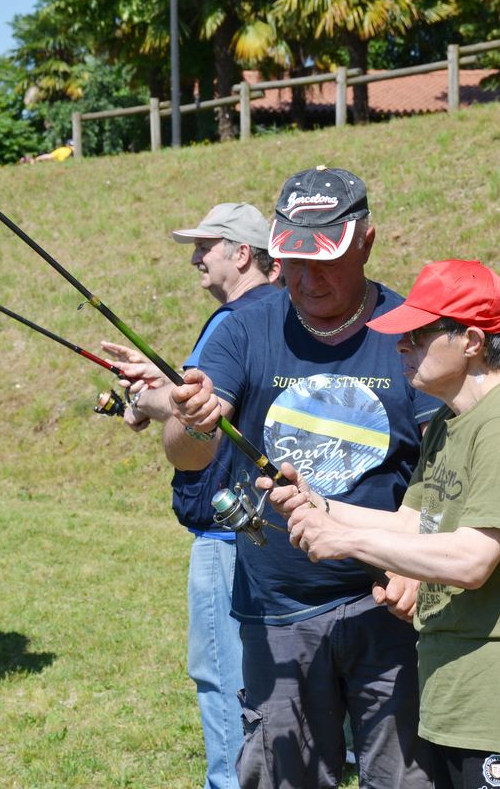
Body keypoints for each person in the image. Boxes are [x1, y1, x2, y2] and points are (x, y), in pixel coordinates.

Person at [168, 166, 439, 789]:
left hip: (389, 606)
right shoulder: (243, 328)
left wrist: (420, 565)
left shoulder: (411, 330)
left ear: (366, 243)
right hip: (277, 612)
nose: (309, 280)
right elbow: (186, 457)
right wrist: (193, 419)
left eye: (327, 261)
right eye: (294, 261)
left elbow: (450, 465)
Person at [270, 259, 500, 789]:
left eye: (417, 335)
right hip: (458, 695)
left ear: (472, 341)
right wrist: (317, 505)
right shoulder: (451, 421)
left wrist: (345, 540)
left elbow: (472, 560)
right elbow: (414, 523)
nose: (402, 346)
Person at [101, 202, 281, 789]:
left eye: (206, 246)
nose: (195, 258)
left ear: (243, 253)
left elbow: (194, 418)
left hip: (227, 534)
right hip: (280, 527)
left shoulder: (232, 324)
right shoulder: (287, 313)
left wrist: (146, 399)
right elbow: (209, 403)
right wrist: (158, 389)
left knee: (223, 676)